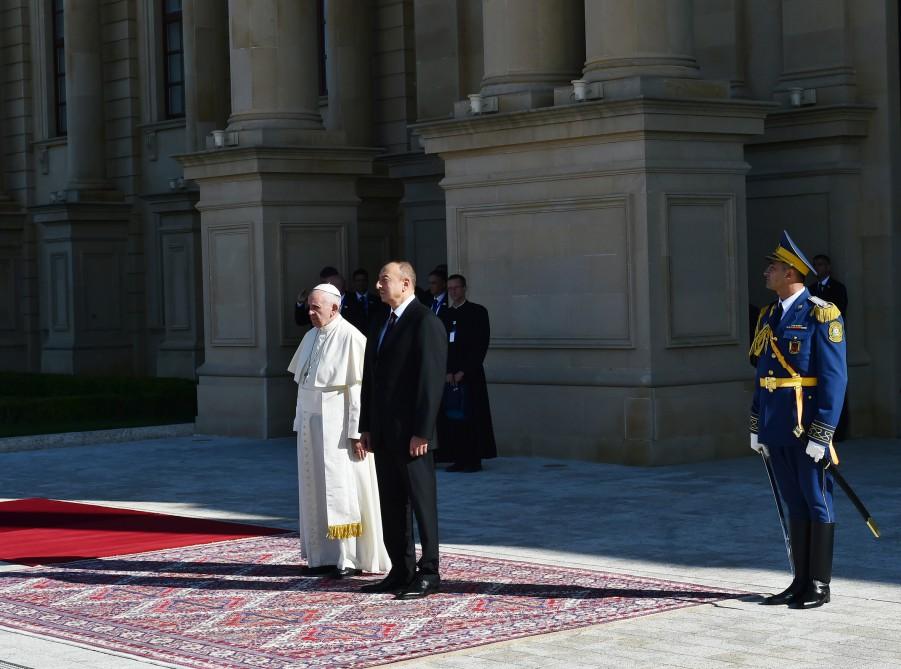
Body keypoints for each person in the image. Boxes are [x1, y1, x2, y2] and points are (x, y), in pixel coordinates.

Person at [748, 231, 847, 609]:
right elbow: (764, 374)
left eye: (772, 268)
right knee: (794, 501)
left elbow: (835, 379)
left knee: (817, 501)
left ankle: (819, 585)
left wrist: (822, 432)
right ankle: (799, 581)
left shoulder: (821, 313)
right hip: (777, 426)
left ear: (791, 273)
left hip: (806, 428)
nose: (766, 274)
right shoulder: (770, 315)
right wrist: (757, 422)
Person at [288, 283, 391, 579]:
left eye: (315, 308)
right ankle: (321, 556)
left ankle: (349, 557)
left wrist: (358, 431)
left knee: (342, 491)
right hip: (312, 426)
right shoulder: (310, 336)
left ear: (335, 308)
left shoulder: (351, 337)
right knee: (315, 488)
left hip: (340, 429)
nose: (309, 313)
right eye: (309, 307)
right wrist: (299, 420)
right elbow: (303, 385)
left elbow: (359, 390)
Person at [359, 261, 447, 599]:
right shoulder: (381, 320)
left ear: (406, 283)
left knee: (422, 504)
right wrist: (366, 426)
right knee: (391, 504)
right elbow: (372, 379)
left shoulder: (425, 321)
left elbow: (430, 381)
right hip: (384, 432)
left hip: (413, 436)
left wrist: (422, 431)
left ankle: (430, 572)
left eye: (385, 280)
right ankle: (401, 569)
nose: (379, 286)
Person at [436, 274, 497, 472]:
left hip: (470, 375)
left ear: (464, 288)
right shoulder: (443, 316)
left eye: (456, 288)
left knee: (472, 417)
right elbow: (441, 346)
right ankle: (458, 457)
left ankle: (473, 458)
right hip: (450, 377)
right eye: (450, 289)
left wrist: (465, 370)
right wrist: (447, 371)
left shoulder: (477, 312)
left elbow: (480, 345)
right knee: (453, 418)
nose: (453, 292)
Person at [810, 254, 850, 441]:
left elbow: (838, 313)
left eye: (821, 265)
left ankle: (839, 430)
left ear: (829, 267)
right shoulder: (810, 290)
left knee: (835, 385)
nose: (818, 268)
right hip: (814, 343)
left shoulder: (837, 288)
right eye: (815, 265)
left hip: (832, 341)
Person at [345, 268, 384, 334]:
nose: (361, 283)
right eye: (358, 280)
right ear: (354, 282)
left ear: (367, 281)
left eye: (363, 280)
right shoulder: (347, 300)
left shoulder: (377, 300)